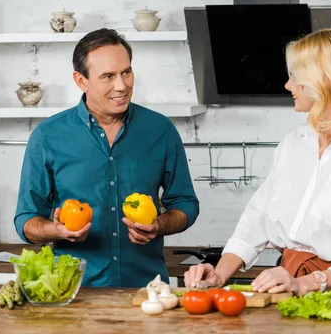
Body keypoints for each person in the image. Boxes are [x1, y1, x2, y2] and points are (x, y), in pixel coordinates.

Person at [184, 28, 331, 295]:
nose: (288, 85)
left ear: (324, 81)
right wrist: (219, 274)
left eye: (295, 77)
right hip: (288, 289)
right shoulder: (293, 142)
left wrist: (307, 283)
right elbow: (258, 217)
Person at [14, 28, 199, 288]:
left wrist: (159, 224)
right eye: (108, 76)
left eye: (126, 72)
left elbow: (186, 204)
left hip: (147, 291)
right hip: (74, 293)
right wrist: (57, 231)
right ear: (81, 80)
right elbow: (26, 220)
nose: (122, 85)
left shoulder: (161, 131)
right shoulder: (47, 137)